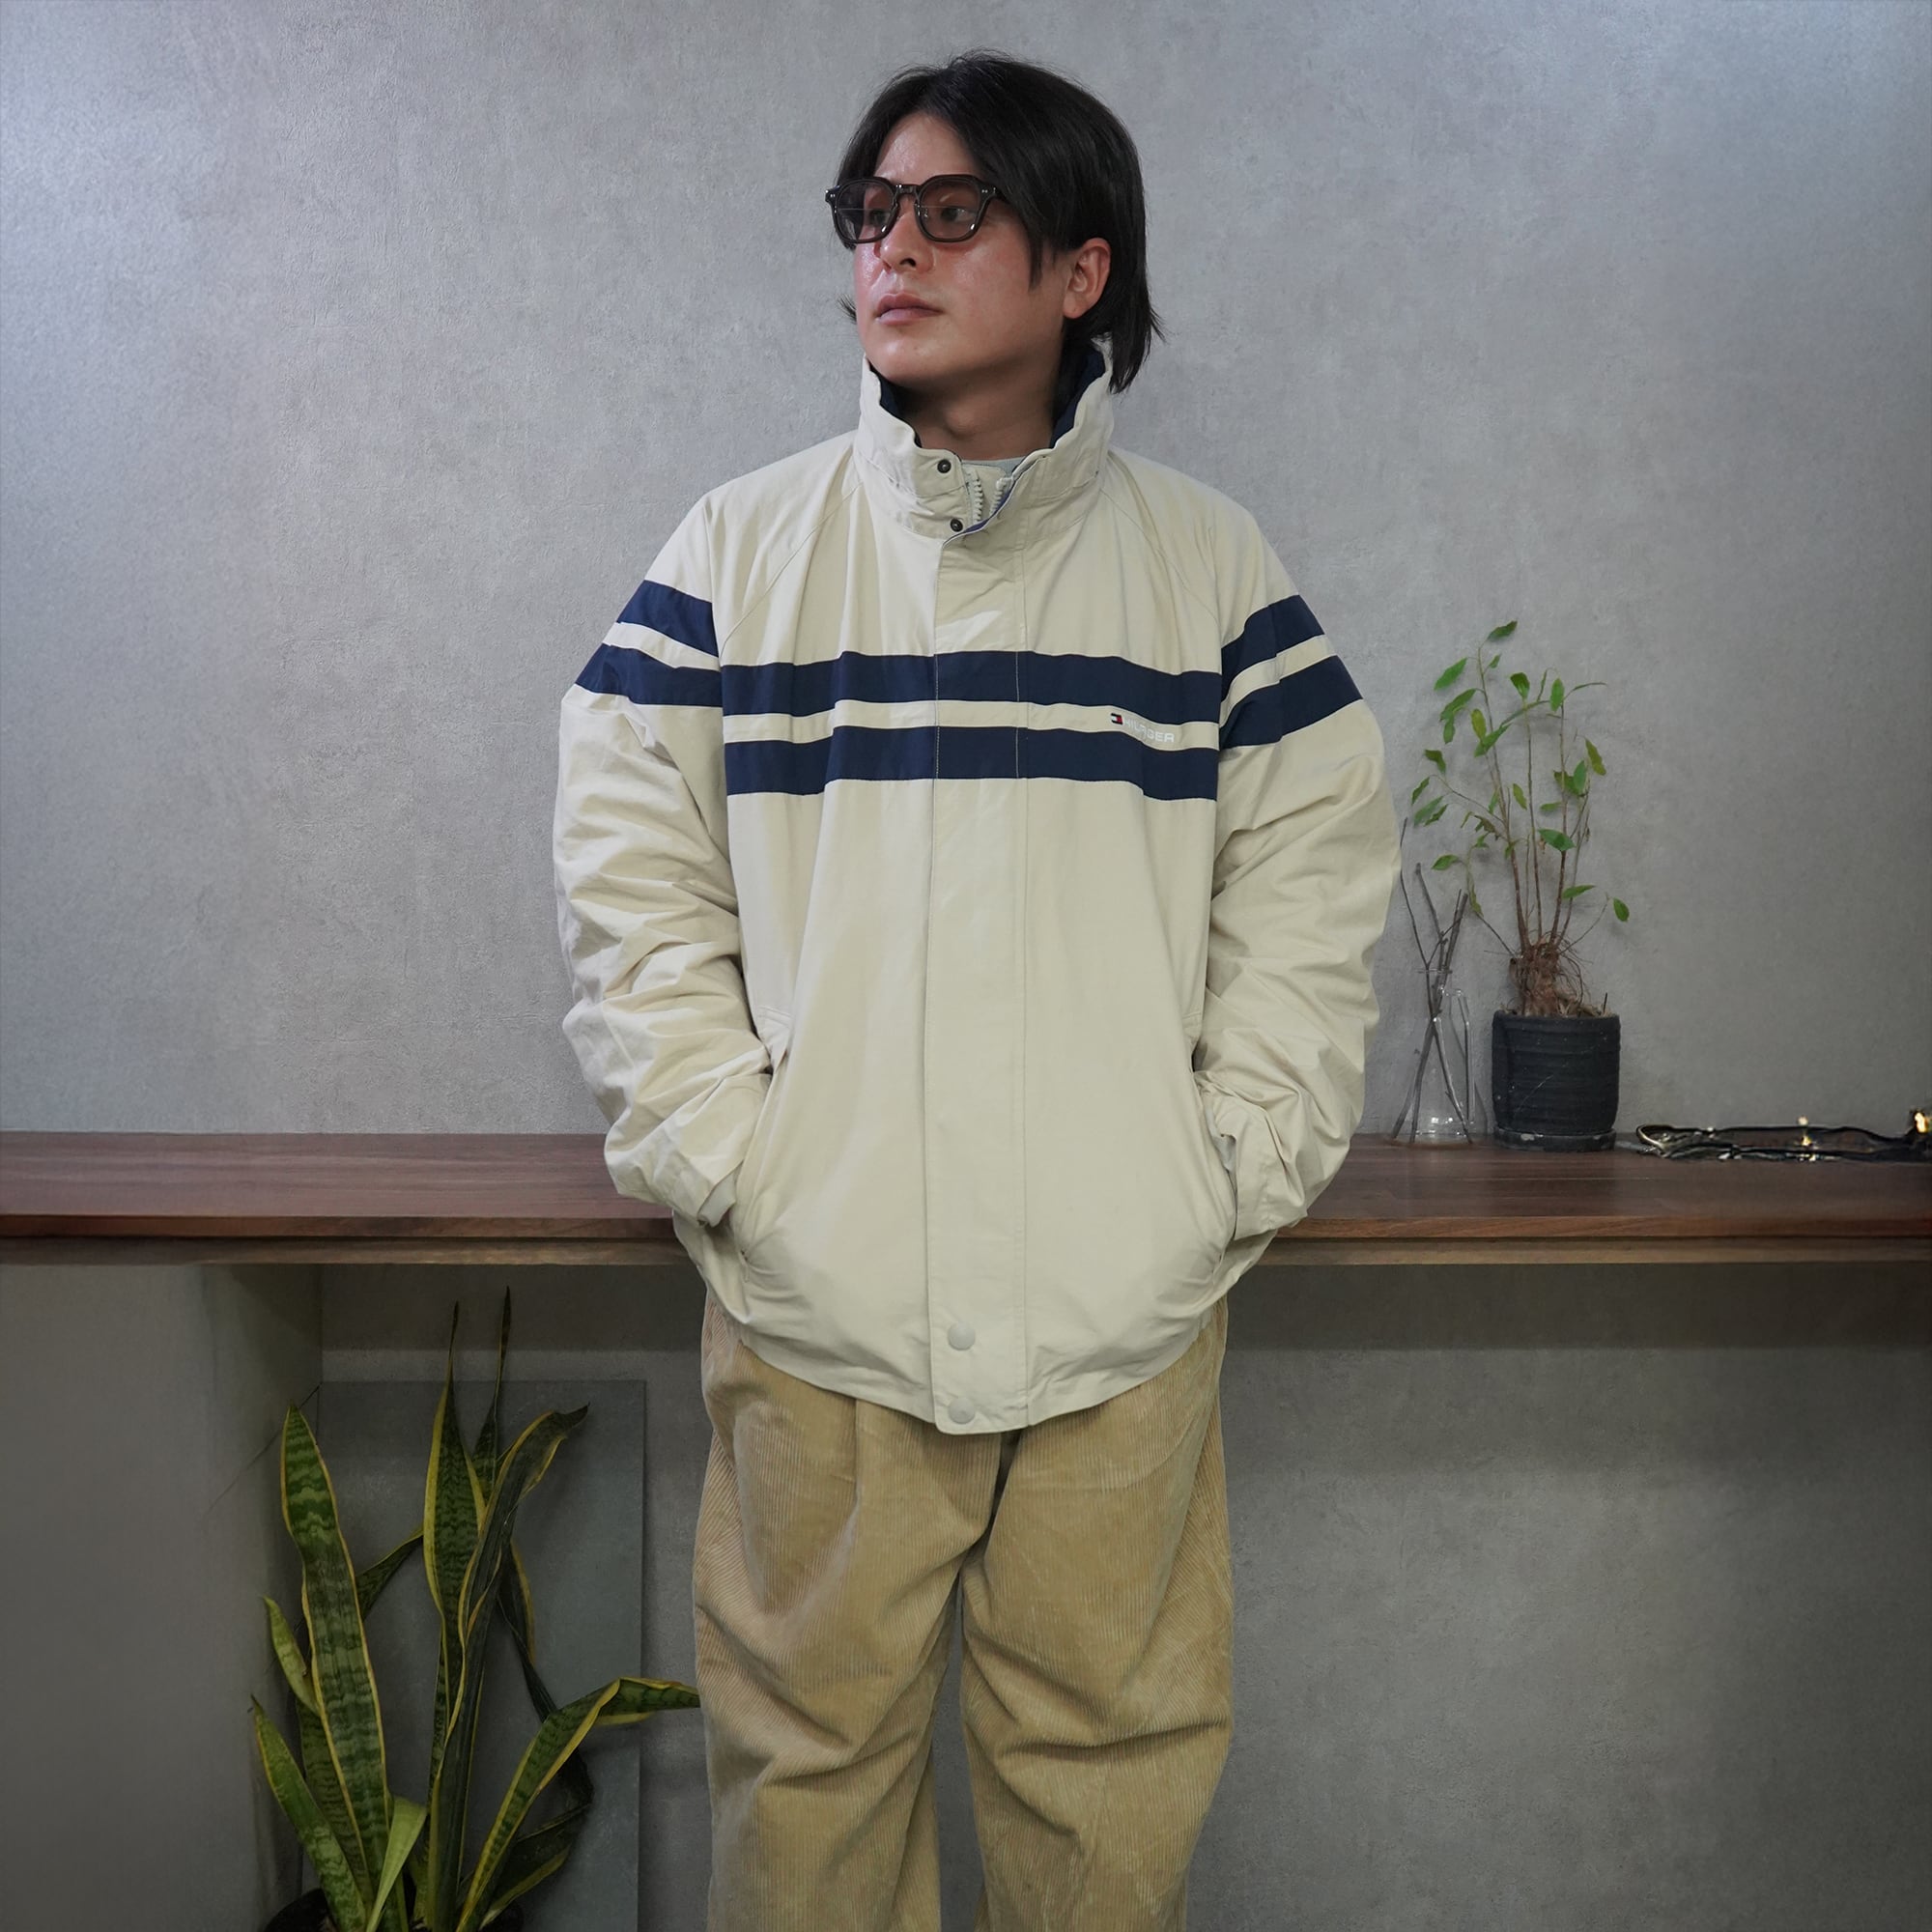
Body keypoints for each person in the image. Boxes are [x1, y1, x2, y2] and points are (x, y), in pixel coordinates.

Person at [552, 47, 1402, 1932]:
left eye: (953, 213)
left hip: (1122, 1318)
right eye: (871, 215)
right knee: (806, 1796)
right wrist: (727, 1153)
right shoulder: (737, 557)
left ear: (1082, 269)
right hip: (821, 1313)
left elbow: (1314, 870)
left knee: (1105, 1796)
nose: (893, 251)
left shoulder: (1208, 574)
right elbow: (628, 876)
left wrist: (1231, 1163)